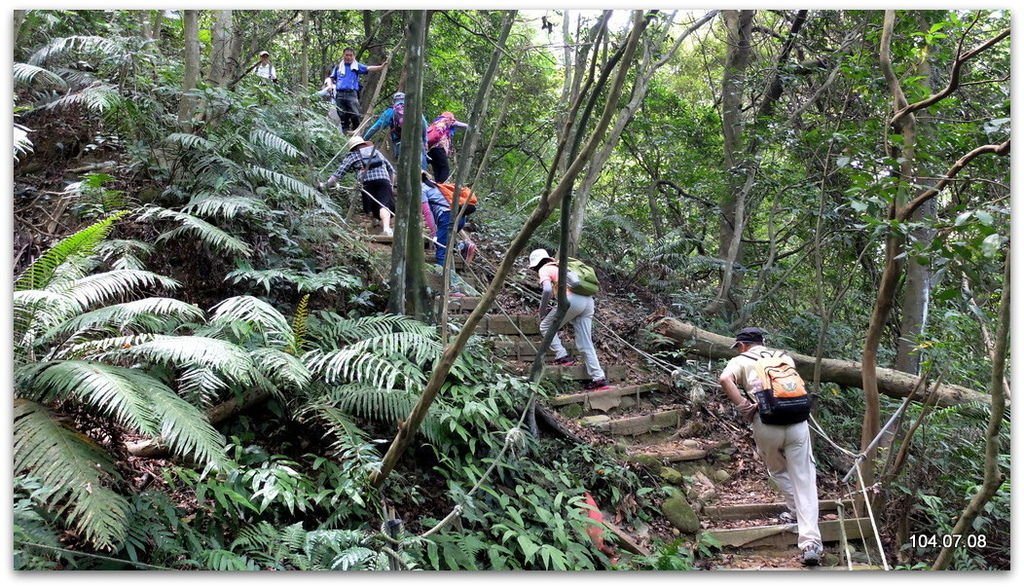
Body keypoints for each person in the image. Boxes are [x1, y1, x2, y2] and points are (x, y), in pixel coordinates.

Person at [718, 327, 824, 567]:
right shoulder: (784, 357)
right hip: (797, 422)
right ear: (763, 342)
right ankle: (810, 542)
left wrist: (744, 405)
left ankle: (795, 510)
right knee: (804, 478)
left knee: (777, 470)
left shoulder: (740, 360)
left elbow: (725, 379)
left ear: (743, 345)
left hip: (765, 423)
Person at [528, 248, 607, 390]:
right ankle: (599, 378)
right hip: (588, 301)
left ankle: (562, 356)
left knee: (545, 326)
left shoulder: (544, 269)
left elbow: (546, 290)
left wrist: (542, 311)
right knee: (585, 342)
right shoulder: (561, 266)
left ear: (536, 264)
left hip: (572, 301)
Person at [320, 135, 396, 236]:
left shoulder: (353, 155)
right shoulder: (376, 152)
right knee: (384, 205)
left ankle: (375, 222)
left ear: (353, 147)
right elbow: (391, 169)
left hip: (367, 182)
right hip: (383, 180)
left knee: (370, 204)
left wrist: (325, 185)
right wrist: (391, 184)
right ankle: (386, 228)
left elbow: (338, 174)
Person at [323, 47, 387, 134]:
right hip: (340, 94)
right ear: (343, 55)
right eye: (346, 55)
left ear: (353, 56)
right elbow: (331, 78)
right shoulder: (338, 67)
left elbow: (368, 68)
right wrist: (330, 85)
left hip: (351, 94)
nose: (348, 57)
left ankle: (356, 131)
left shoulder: (356, 66)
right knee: (342, 114)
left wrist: (381, 67)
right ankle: (345, 132)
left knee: (355, 114)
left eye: (350, 55)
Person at [420, 172, 476, 269]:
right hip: (460, 218)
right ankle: (463, 246)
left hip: (447, 217)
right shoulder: (435, 186)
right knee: (447, 244)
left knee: (441, 250)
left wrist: (433, 232)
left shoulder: (422, 189)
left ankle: (446, 279)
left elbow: (427, 212)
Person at [363, 92, 429, 168]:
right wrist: (425, 141)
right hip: (416, 141)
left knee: (402, 165)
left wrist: (364, 139)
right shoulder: (414, 109)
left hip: (399, 142)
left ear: (394, 101)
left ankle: (401, 178)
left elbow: (375, 127)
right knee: (421, 166)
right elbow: (424, 124)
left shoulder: (390, 111)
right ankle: (422, 177)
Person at [425, 111, 468, 183]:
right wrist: (471, 126)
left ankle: (438, 185)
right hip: (439, 148)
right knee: (444, 168)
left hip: (431, 149)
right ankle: (442, 186)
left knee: (437, 169)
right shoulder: (446, 121)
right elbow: (459, 124)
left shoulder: (435, 123)